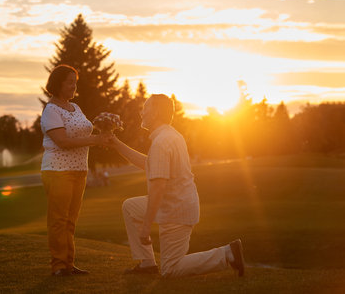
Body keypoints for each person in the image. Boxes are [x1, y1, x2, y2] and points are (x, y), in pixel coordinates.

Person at [108, 94, 245, 278]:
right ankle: (147, 263)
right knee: (130, 207)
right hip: (174, 204)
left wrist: (146, 226)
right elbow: (148, 163)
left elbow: (158, 188)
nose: (142, 113)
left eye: (145, 108)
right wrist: (116, 144)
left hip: (176, 211)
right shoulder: (169, 135)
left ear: (155, 113)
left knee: (171, 269)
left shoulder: (162, 142)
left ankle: (227, 253)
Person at [41, 64, 106, 276]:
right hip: (58, 171)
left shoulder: (75, 107)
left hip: (79, 169)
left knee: (71, 220)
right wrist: (96, 140)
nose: (74, 86)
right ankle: (58, 265)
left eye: (75, 82)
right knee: (59, 220)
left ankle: (69, 264)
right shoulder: (51, 110)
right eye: (70, 82)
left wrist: (105, 130)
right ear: (58, 84)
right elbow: (63, 142)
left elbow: (85, 131)